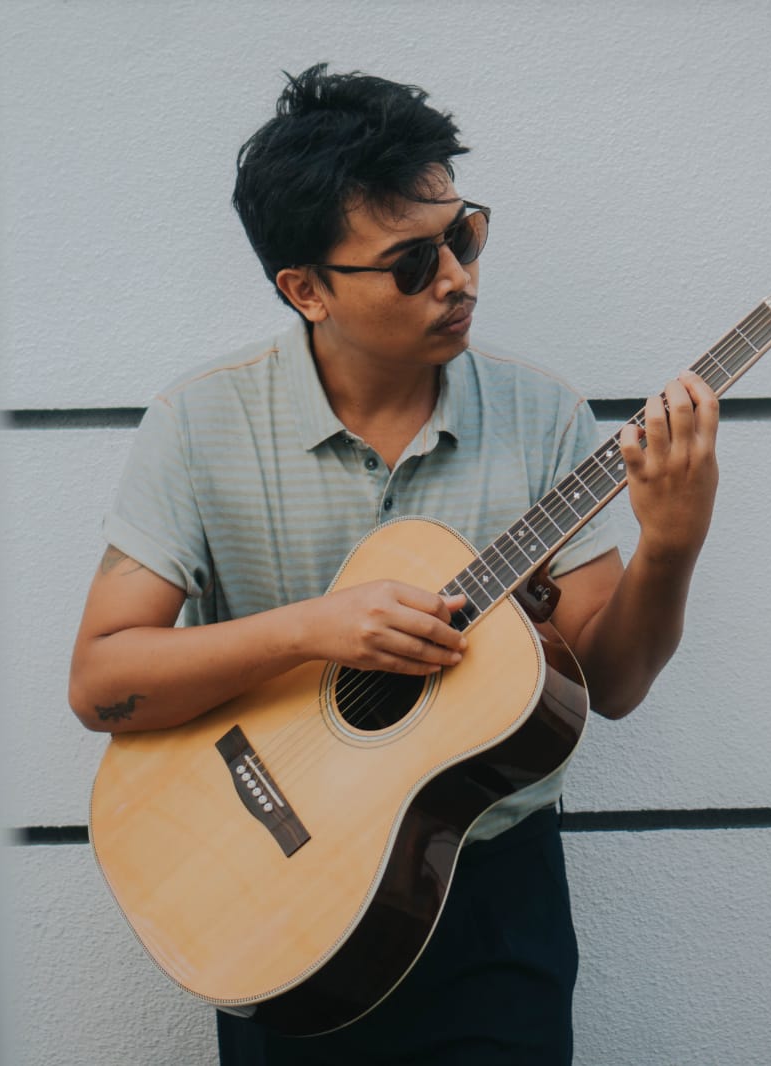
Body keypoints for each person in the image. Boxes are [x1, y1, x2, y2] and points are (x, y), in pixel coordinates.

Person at [67, 64, 720, 1065]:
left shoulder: (542, 416)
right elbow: (101, 681)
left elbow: (613, 685)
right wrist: (309, 629)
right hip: (272, 898)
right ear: (306, 289)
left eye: (464, 236)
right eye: (411, 264)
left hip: (493, 904)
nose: (457, 278)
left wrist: (669, 546)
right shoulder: (200, 425)